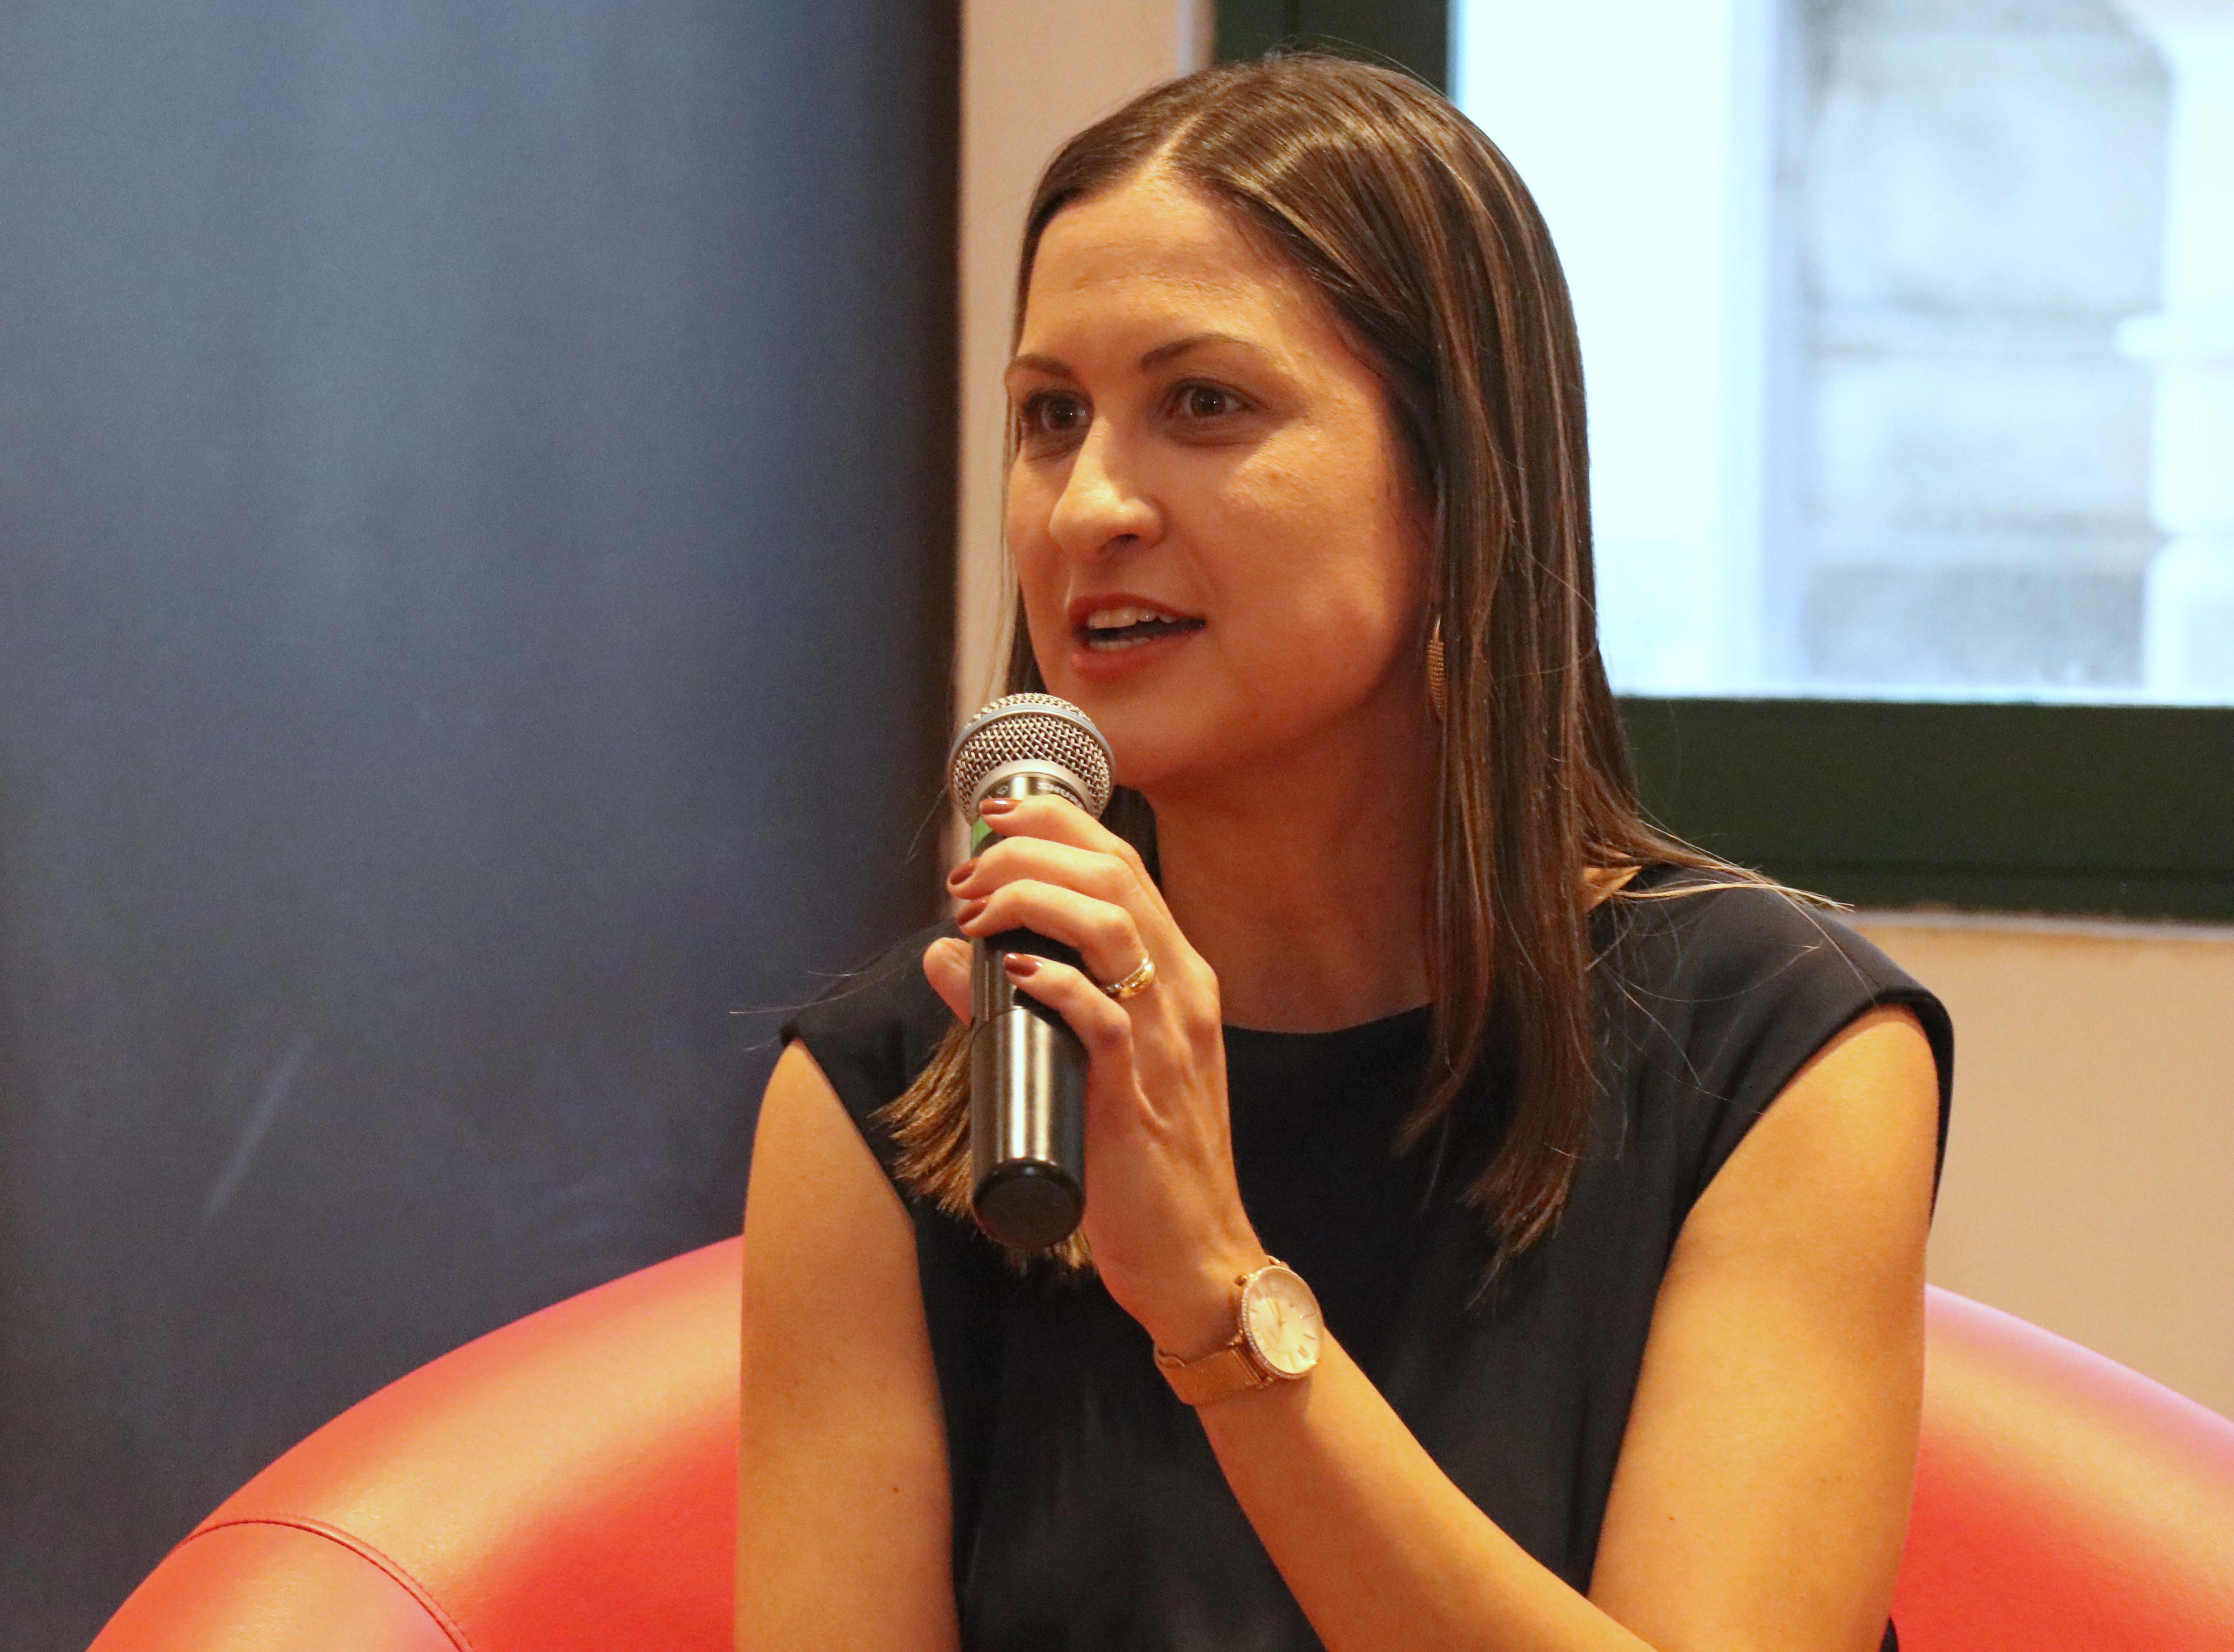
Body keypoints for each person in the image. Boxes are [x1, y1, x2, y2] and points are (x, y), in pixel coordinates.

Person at [737, 53, 1951, 1652]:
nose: (1089, 507)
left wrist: (1218, 1303)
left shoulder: (1770, 1047)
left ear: (1455, 483)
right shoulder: (902, 1081)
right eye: (1050, 417)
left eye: (1204, 404)